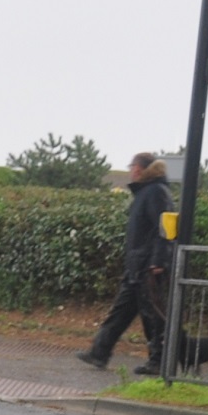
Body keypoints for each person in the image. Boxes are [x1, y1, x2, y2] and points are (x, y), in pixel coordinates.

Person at [78, 154, 174, 371]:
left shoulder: (156, 192)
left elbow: (166, 228)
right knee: (121, 312)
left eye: (132, 166)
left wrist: (158, 260)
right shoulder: (147, 192)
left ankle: (159, 362)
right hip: (137, 266)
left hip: (149, 267)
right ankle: (99, 352)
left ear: (139, 169)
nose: (130, 170)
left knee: (153, 316)